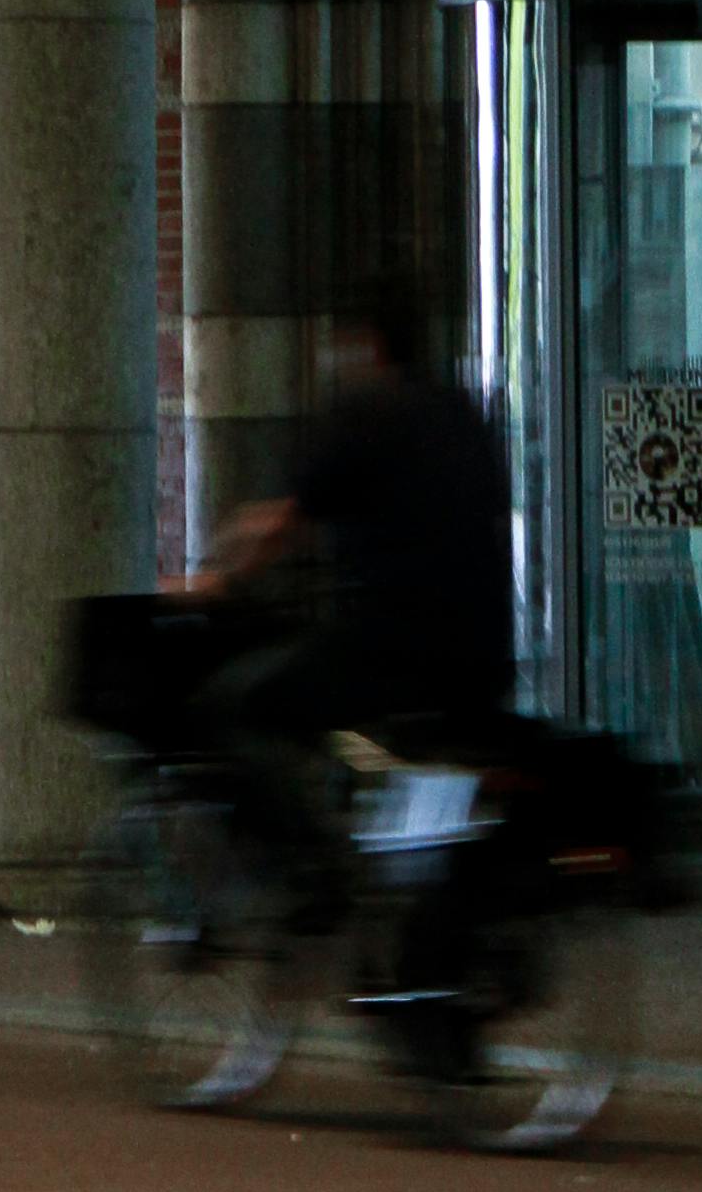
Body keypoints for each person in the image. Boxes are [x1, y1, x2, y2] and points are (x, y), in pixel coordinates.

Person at [182, 281, 514, 926]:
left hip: (391, 651)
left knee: (239, 706)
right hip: (483, 655)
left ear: (368, 346)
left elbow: (282, 524)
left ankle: (307, 874)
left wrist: (214, 578)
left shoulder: (367, 417)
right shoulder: (463, 412)